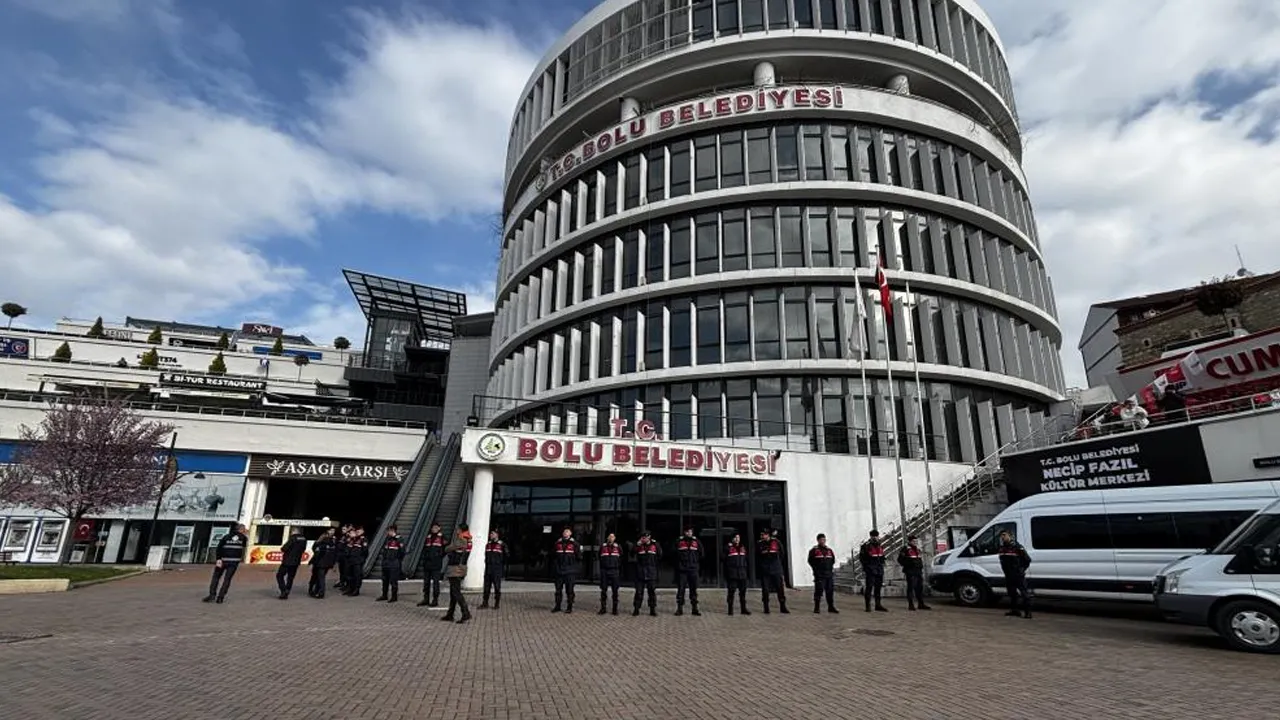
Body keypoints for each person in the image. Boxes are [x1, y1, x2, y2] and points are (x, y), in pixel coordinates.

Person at [203, 523, 247, 604]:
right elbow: (243, 547)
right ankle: (220, 598)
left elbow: (219, 548)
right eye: (244, 529)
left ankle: (212, 595)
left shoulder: (226, 536)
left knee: (216, 577)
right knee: (227, 579)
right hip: (233, 562)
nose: (245, 531)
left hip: (222, 561)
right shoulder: (243, 538)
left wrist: (218, 559)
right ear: (241, 530)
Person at [442, 524, 473, 624]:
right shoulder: (468, 539)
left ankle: (465, 612)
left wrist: (447, 548)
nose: (456, 531)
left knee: (456, 591)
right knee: (453, 591)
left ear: (460, 530)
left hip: (456, 568)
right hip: (460, 566)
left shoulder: (462, 539)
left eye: (458, 529)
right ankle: (450, 613)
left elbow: (450, 548)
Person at [998, 530, 1033, 619]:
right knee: (1012, 593)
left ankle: (1028, 613)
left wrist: (1021, 570)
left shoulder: (1017, 547)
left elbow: (1027, 560)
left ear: (1010, 536)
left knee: (1024, 593)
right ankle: (1015, 611)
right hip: (1008, 575)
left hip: (1018, 575)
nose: (1002, 537)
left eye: (1004, 535)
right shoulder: (1002, 548)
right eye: (1001, 536)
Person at [673, 526, 703, 616]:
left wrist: (695, 562)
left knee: (693, 590)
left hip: (693, 569)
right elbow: (673, 553)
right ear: (684, 532)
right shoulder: (679, 541)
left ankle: (694, 609)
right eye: (687, 532)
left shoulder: (696, 541)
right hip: (682, 570)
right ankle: (679, 609)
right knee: (681, 590)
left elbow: (702, 553)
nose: (689, 533)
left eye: (690, 532)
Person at [758, 529, 789, 614]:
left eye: (763, 534)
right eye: (761, 535)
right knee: (765, 589)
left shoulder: (776, 542)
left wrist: (777, 564)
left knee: (780, 589)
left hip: (776, 569)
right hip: (765, 570)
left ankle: (783, 606)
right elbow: (758, 556)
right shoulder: (760, 544)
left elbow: (782, 554)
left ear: (767, 535)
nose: (762, 536)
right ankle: (766, 607)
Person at [631, 530, 661, 616]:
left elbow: (660, 555)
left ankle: (652, 609)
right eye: (643, 537)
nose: (645, 539)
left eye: (646, 537)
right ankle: (636, 609)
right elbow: (632, 554)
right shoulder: (639, 546)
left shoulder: (654, 545)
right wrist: (637, 545)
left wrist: (656, 545)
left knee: (651, 592)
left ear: (649, 537)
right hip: (640, 572)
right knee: (639, 592)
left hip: (651, 572)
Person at [552, 526, 581, 613]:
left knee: (570, 590)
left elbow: (579, 557)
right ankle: (557, 606)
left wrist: (574, 567)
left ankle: (569, 607)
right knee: (558, 590)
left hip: (570, 571)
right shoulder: (557, 543)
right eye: (564, 531)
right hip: (559, 571)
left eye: (567, 531)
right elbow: (553, 556)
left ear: (570, 534)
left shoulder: (574, 544)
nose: (565, 533)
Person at [897, 535, 931, 611]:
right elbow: (900, 559)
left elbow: (919, 559)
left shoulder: (917, 549)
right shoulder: (905, 549)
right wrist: (908, 565)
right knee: (911, 587)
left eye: (916, 541)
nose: (915, 542)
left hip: (918, 570)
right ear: (909, 541)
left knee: (919, 588)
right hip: (910, 571)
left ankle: (921, 604)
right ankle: (911, 604)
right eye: (913, 541)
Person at [417, 522, 447, 608]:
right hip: (427, 563)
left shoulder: (442, 537)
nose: (434, 529)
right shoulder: (428, 537)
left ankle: (435, 600)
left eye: (436, 527)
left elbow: (445, 548)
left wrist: (439, 556)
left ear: (439, 528)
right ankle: (426, 599)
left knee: (435, 583)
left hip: (436, 563)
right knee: (426, 582)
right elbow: (424, 548)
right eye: (433, 527)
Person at [807, 533, 838, 614]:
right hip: (819, 575)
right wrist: (816, 571)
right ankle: (816, 607)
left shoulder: (829, 550)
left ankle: (831, 607)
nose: (823, 541)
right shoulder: (814, 551)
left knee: (830, 591)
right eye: (821, 540)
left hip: (829, 574)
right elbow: (810, 561)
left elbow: (833, 560)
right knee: (818, 591)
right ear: (818, 540)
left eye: (824, 540)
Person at [375, 525, 407, 603]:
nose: (388, 532)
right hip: (386, 563)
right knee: (385, 580)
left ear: (393, 531)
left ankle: (394, 596)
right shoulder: (387, 539)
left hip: (394, 563)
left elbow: (402, 552)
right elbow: (384, 551)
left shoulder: (399, 539)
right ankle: (384, 595)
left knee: (393, 581)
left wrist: (397, 560)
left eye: (389, 531)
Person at [859, 530, 888, 612]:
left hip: (879, 569)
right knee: (869, 588)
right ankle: (867, 606)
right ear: (870, 537)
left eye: (876, 536)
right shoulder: (865, 546)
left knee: (878, 588)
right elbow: (862, 558)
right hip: (870, 570)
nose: (875, 537)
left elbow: (882, 556)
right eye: (873, 536)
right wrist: (867, 567)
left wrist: (883, 563)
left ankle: (878, 605)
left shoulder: (880, 546)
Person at [276, 527, 308, 600]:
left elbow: (284, 548)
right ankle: (287, 590)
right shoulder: (304, 539)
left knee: (279, 575)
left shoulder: (293, 538)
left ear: (293, 531)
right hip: (296, 561)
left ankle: (283, 591)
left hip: (287, 561)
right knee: (291, 577)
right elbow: (303, 549)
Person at [723, 532, 750, 616]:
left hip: (742, 573)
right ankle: (730, 609)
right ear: (732, 539)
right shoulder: (727, 548)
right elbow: (723, 559)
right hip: (732, 574)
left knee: (743, 592)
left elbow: (746, 559)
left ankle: (743, 609)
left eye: (738, 537)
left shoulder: (743, 547)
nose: (737, 539)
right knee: (731, 592)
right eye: (735, 537)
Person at [480, 529, 507, 610]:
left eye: (492, 534)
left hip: (497, 569)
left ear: (497, 535)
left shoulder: (502, 545)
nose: (490, 535)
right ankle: (485, 603)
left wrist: (500, 564)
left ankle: (497, 603)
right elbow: (486, 555)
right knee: (486, 587)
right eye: (490, 534)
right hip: (488, 568)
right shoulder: (488, 544)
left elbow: (506, 555)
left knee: (497, 587)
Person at [597, 532, 622, 615]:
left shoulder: (618, 547)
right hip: (604, 571)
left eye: (612, 537)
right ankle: (603, 608)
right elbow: (598, 556)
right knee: (603, 591)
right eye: (609, 537)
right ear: (607, 538)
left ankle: (615, 609)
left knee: (615, 591)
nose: (611, 538)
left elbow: (621, 557)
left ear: (614, 538)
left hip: (614, 571)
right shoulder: (603, 547)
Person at [308, 529, 337, 599]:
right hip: (327, 563)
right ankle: (316, 591)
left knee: (319, 578)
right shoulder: (332, 542)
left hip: (320, 563)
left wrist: (312, 562)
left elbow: (317, 554)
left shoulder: (322, 543)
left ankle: (320, 592)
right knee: (320, 578)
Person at [343, 526, 368, 597]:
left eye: (359, 531)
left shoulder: (363, 539)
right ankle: (350, 589)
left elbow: (365, 551)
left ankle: (356, 590)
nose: (357, 532)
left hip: (358, 561)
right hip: (351, 560)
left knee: (357, 576)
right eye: (356, 531)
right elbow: (348, 547)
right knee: (350, 575)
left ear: (362, 531)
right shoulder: (353, 539)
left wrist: (362, 559)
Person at [334, 523, 352, 591]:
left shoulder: (349, 537)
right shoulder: (343, 536)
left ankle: (346, 584)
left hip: (345, 556)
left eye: (344, 529)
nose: (342, 530)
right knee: (341, 570)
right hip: (341, 556)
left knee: (345, 571)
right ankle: (341, 582)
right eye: (342, 529)